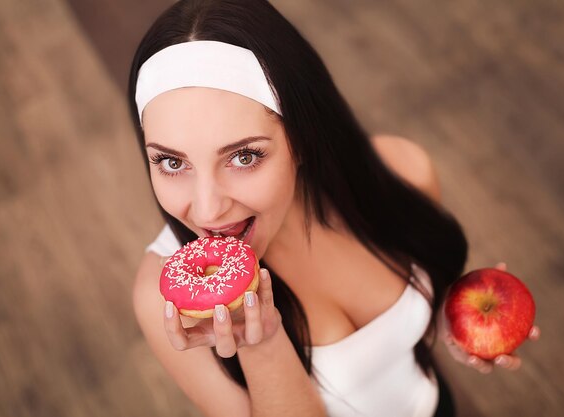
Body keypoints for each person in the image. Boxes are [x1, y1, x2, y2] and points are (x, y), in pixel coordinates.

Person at [128, 1, 540, 416]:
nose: (207, 209)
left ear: (302, 137)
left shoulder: (402, 172)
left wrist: (452, 321)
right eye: (172, 162)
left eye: (245, 156)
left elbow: (418, 313)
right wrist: (261, 345)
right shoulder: (163, 301)